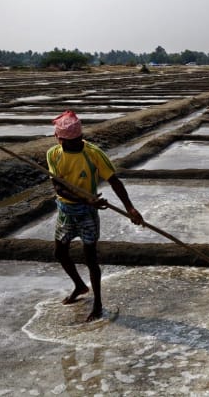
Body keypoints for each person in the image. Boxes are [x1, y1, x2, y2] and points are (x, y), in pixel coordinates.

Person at [47, 110, 144, 322]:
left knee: (90, 258)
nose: (65, 145)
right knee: (60, 253)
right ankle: (79, 286)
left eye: (70, 142)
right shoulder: (54, 154)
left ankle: (98, 303)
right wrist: (87, 199)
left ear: (79, 138)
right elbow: (59, 188)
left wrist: (130, 209)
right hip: (66, 210)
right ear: (60, 139)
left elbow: (114, 181)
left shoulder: (93, 154)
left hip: (87, 214)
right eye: (63, 141)